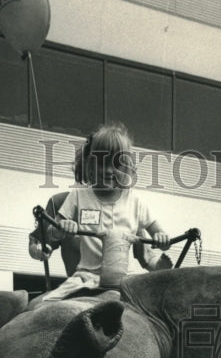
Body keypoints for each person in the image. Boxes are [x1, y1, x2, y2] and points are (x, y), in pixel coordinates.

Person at [30, 123, 169, 302]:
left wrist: (162, 239)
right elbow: (51, 234)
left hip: (127, 281)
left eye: (117, 164)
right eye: (103, 164)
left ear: (127, 166)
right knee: (45, 305)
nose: (110, 171)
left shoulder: (135, 201)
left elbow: (159, 236)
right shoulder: (77, 196)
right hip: (85, 278)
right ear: (89, 165)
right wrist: (62, 227)